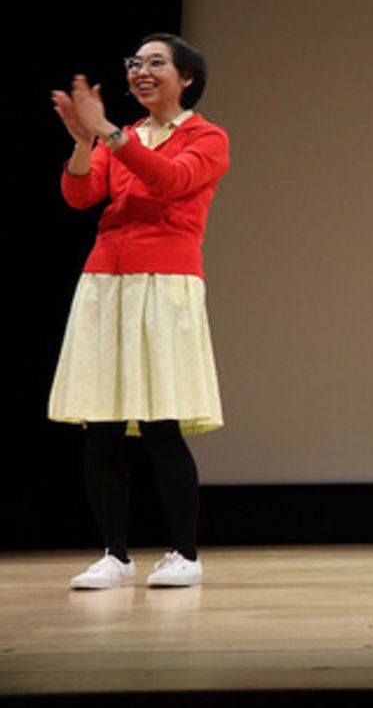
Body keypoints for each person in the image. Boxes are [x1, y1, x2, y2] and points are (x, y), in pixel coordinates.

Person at [49, 33, 230, 589]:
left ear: (187, 79)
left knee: (159, 422)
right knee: (100, 424)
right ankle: (115, 555)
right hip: (106, 279)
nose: (141, 72)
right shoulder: (120, 138)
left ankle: (184, 553)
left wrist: (108, 132)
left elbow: (171, 181)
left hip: (166, 278)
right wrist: (85, 143)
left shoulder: (207, 136)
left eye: (156, 63)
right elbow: (81, 197)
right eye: (135, 63)